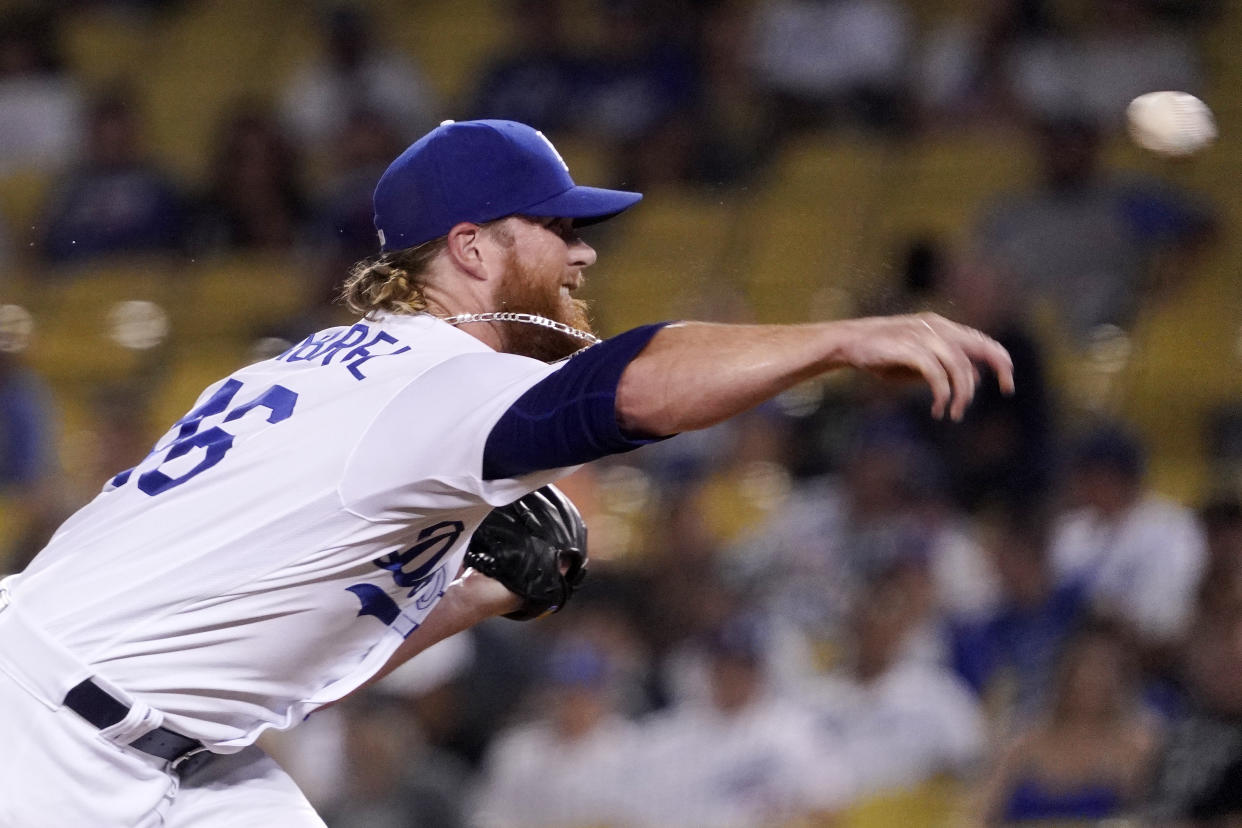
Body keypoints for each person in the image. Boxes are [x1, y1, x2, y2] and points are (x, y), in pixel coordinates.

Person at [0, 118, 1013, 826]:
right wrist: (836, 340)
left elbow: (288, 669)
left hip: (160, 742)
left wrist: (479, 593)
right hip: (39, 743)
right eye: (560, 227)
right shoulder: (429, 380)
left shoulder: (353, 380)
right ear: (473, 247)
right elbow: (626, 392)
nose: (582, 256)